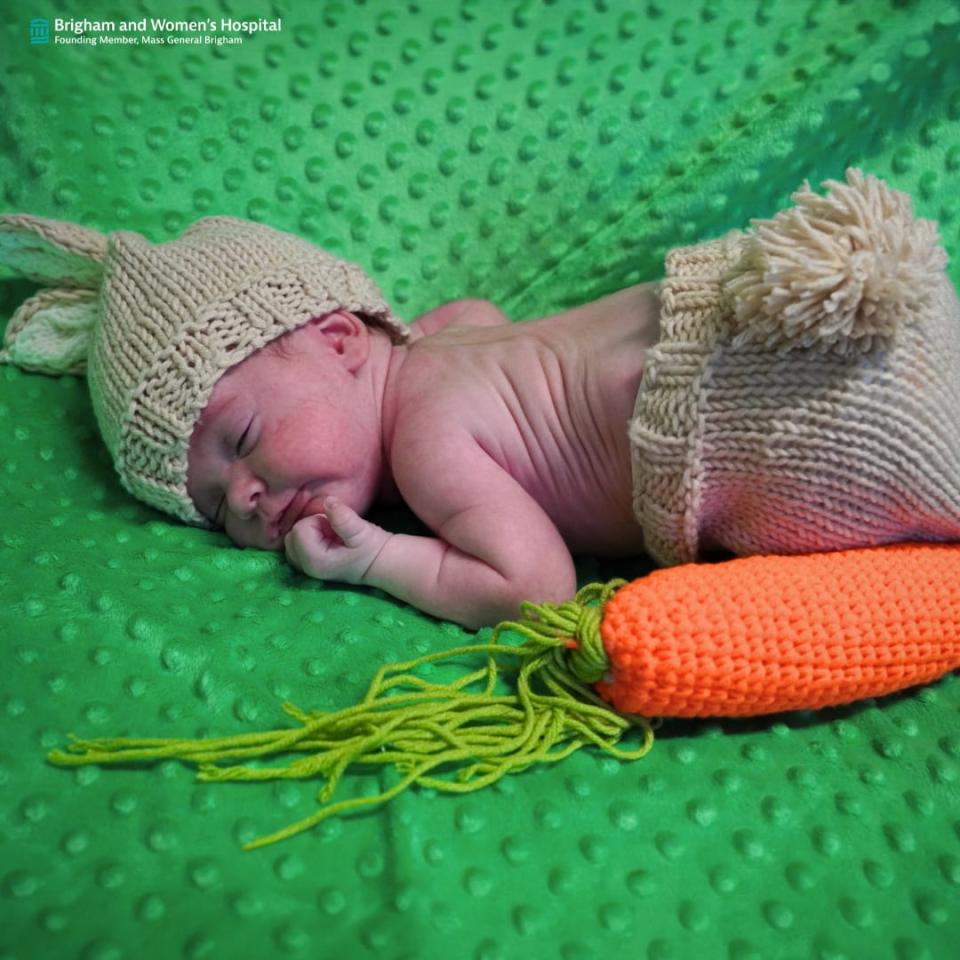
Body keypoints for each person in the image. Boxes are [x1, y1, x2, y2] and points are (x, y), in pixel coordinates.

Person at [3, 168, 959, 628]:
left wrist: (376, 559)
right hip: (800, 305)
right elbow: (474, 314)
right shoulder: (448, 339)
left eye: (243, 437)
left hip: (780, 419)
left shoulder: (428, 445)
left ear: (340, 337)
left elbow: (536, 585)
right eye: (213, 505)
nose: (247, 496)